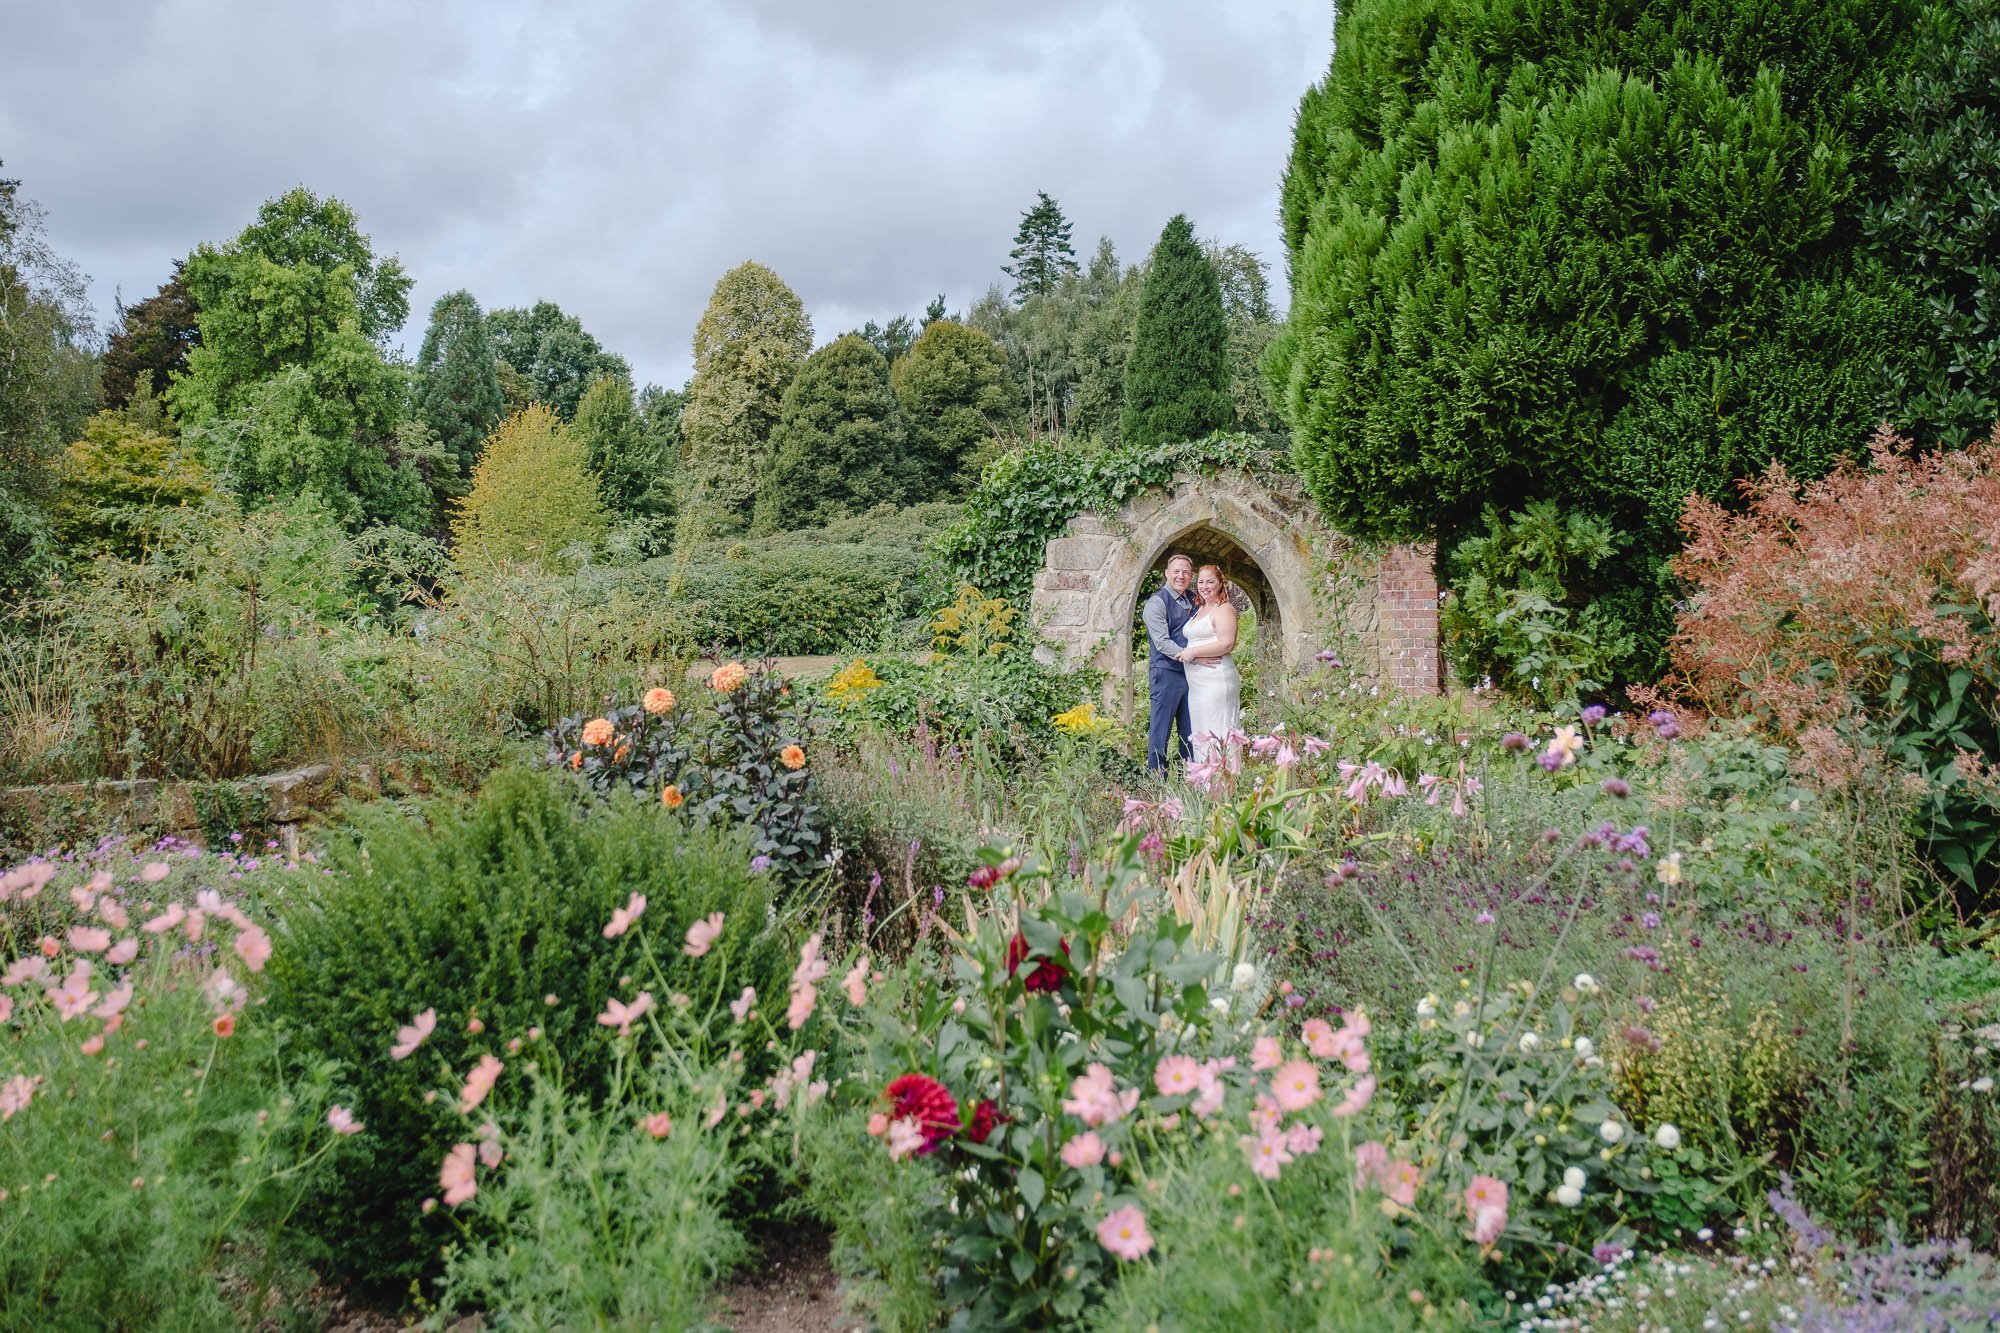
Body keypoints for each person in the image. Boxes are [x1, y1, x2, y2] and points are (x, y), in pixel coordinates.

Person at [1177, 564, 1240, 763]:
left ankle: (1222, 787)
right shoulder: (1202, 609)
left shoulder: (1224, 609)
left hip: (1216, 680)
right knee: (1202, 734)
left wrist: (1193, 652)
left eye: (1210, 581)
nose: (1205, 586)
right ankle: (1206, 788)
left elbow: (1227, 643)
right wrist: (1193, 656)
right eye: (1201, 582)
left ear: (1221, 583)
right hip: (1198, 685)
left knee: (1217, 733)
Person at [1143, 553, 1199, 773]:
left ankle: (1190, 779)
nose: (1181, 576)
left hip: (1192, 675)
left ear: (1191, 575)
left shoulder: (1194, 599)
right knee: (1161, 730)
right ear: (1167, 573)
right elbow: (1162, 642)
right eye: (1176, 571)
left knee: (1190, 731)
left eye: (1185, 572)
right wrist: (1193, 654)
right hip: (1166, 674)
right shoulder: (1156, 603)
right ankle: (1157, 781)